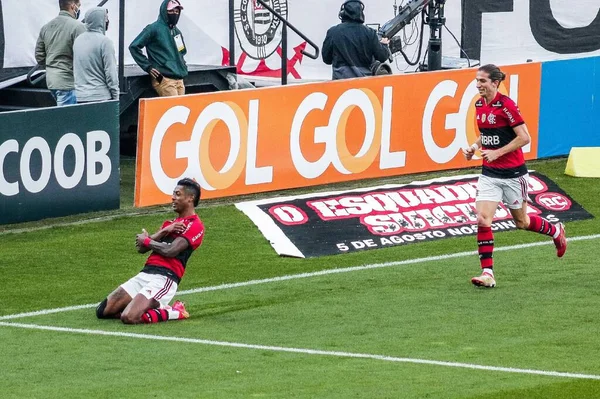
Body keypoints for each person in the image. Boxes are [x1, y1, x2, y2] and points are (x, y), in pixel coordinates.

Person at [463, 64, 567, 288]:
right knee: (482, 218)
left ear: (495, 82)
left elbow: (524, 137)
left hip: (513, 174)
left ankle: (556, 230)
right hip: (490, 174)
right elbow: (486, 134)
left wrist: (497, 153)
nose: (478, 84)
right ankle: (488, 273)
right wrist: (473, 146)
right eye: (477, 80)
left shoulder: (506, 105)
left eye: (482, 81)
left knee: (522, 222)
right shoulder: (480, 104)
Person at [96, 178, 204, 324]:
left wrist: (147, 240)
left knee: (129, 317)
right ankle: (146, 305)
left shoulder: (195, 225)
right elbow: (141, 249)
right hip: (145, 273)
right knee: (103, 311)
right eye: (174, 194)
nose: (173, 197)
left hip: (165, 278)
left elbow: (170, 250)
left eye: (178, 194)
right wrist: (164, 231)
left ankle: (174, 311)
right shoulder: (169, 224)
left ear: (190, 198)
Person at [129, 0, 188, 97]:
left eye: (177, 11)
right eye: (171, 11)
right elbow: (134, 47)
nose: (175, 14)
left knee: (180, 109)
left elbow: (182, 51)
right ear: (164, 11)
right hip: (164, 79)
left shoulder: (177, 32)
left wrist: (183, 65)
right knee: (175, 109)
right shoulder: (153, 28)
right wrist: (148, 67)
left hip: (179, 79)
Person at [322, 0, 391, 80]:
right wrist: (384, 45)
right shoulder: (370, 33)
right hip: (364, 84)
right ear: (361, 14)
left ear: (343, 13)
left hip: (339, 83)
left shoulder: (333, 32)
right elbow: (382, 56)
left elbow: (326, 59)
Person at [35, 0, 86, 106]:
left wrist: (53, 65)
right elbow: (85, 56)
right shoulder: (78, 27)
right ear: (73, 6)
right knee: (68, 120)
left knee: (65, 117)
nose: (79, 9)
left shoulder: (46, 27)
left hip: (52, 81)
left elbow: (39, 56)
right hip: (69, 83)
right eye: (79, 5)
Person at [73, 7, 119, 103]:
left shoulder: (78, 40)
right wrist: (116, 96)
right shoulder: (105, 42)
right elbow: (111, 72)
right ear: (100, 20)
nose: (107, 21)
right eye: (105, 18)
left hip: (80, 96)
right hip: (101, 96)